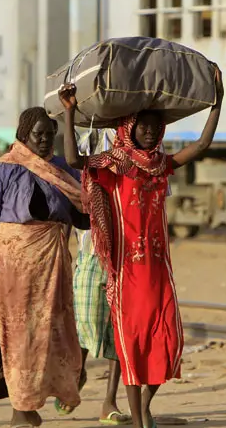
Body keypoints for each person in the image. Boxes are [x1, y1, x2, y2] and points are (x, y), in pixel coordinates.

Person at [60, 67, 225, 428]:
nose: (149, 131)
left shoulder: (160, 165)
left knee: (167, 342)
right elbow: (75, 161)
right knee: (131, 345)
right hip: (127, 271)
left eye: (155, 126)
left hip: (158, 270)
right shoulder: (114, 164)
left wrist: (218, 103)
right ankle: (138, 419)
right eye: (143, 125)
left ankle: (142, 410)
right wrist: (70, 111)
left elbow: (201, 146)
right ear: (129, 127)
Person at [0, 107, 89, 428]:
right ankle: (21, 411)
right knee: (20, 337)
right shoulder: (3, 170)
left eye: (50, 135)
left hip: (52, 267)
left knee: (51, 335)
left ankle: (34, 405)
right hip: (13, 271)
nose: (46, 140)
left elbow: (82, 217)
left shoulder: (61, 171)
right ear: (23, 135)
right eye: (39, 135)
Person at [70, 128, 132, 426]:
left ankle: (109, 400)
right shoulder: (91, 137)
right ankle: (77, 373)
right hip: (93, 248)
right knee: (86, 317)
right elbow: (75, 168)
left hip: (129, 253)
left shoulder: (141, 148)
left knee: (119, 329)